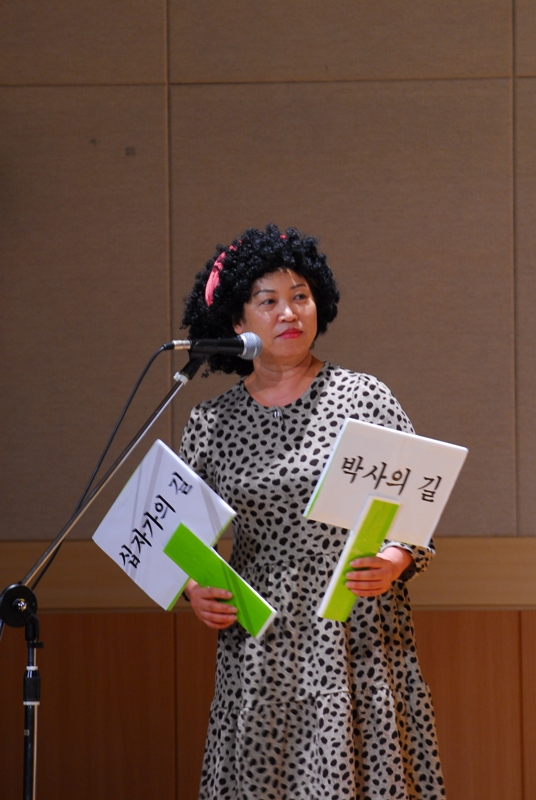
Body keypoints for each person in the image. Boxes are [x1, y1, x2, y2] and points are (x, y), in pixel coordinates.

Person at [179, 224, 444, 800]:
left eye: (300, 296)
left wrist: (395, 559)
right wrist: (194, 588)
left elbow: (417, 508)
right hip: (260, 641)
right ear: (236, 321)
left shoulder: (364, 397)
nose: (289, 313)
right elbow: (180, 538)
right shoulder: (211, 422)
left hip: (353, 628)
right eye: (268, 301)